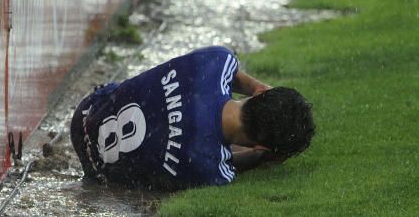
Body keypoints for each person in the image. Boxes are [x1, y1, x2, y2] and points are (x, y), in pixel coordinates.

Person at [70, 45, 315, 189]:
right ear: (261, 145)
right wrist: (261, 158)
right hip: (98, 172)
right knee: (188, 144)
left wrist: (259, 89)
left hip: (85, 115)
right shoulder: (212, 169)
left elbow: (238, 76)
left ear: (260, 93)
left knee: (155, 102)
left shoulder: (216, 61)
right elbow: (236, 162)